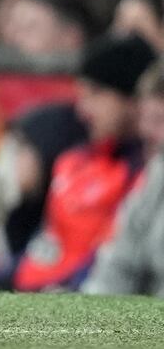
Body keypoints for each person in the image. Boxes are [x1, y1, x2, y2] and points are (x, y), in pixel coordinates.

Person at [14, 34, 155, 292]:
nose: (83, 110)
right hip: (35, 290)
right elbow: (46, 243)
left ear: (134, 101)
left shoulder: (147, 172)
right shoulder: (72, 161)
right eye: (81, 95)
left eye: (96, 94)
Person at [84, 60, 164, 297]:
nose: (147, 132)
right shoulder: (157, 175)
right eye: (144, 120)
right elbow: (119, 260)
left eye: (159, 120)